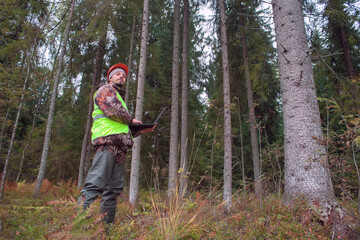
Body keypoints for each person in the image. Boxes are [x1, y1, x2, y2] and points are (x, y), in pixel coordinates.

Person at [80, 63, 155, 224]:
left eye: (124, 75)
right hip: (106, 143)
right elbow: (113, 111)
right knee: (95, 184)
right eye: (118, 74)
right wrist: (131, 119)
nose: (122, 76)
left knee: (113, 191)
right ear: (110, 77)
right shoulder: (105, 90)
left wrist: (141, 130)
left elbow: (122, 128)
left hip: (120, 148)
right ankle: (79, 227)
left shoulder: (119, 98)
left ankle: (105, 230)